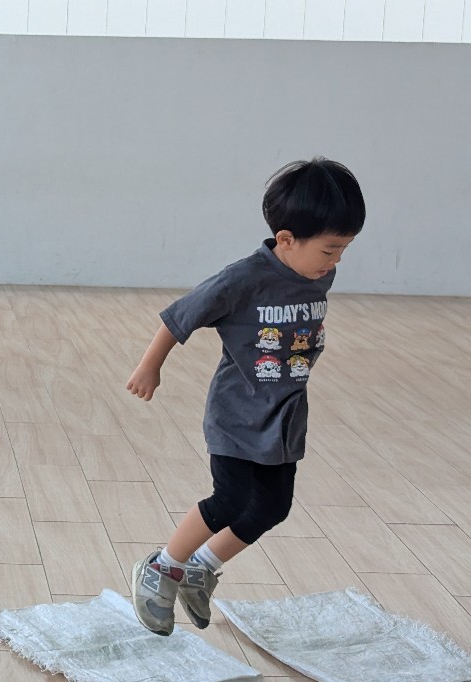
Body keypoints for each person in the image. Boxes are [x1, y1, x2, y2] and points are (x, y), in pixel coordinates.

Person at [125, 158, 365, 636]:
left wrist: (325, 261)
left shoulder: (319, 273)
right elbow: (180, 316)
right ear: (286, 239)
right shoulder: (242, 279)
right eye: (329, 249)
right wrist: (150, 366)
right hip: (237, 413)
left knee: (273, 507)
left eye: (344, 250)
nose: (335, 262)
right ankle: (162, 568)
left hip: (285, 415)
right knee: (230, 500)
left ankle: (202, 567)